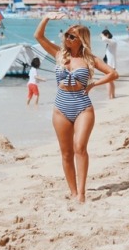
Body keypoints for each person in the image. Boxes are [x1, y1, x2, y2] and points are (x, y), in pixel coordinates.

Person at [34, 13, 118, 203]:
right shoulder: (59, 54)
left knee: (80, 147)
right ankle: (72, 191)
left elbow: (113, 73)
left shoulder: (90, 60)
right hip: (60, 107)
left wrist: (93, 85)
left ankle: (81, 193)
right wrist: (46, 17)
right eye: (66, 35)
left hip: (82, 106)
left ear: (81, 40)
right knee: (66, 153)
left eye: (72, 36)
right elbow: (38, 36)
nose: (67, 38)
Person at [101, 29, 117, 99]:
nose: (102, 37)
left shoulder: (112, 41)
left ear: (107, 35)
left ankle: (109, 97)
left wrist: (102, 35)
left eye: (103, 35)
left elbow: (104, 39)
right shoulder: (111, 41)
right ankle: (112, 96)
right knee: (110, 81)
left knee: (108, 81)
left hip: (110, 64)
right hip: (110, 64)